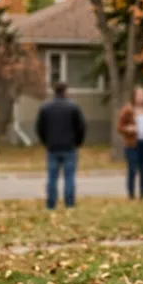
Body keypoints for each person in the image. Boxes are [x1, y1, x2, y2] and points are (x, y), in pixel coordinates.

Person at [35, 82, 86, 210]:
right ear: (66, 91)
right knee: (69, 177)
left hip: (52, 147)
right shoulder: (73, 107)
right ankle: (69, 203)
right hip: (69, 147)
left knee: (52, 177)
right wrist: (78, 142)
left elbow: (40, 128)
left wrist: (46, 142)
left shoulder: (46, 108)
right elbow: (81, 127)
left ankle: (51, 204)